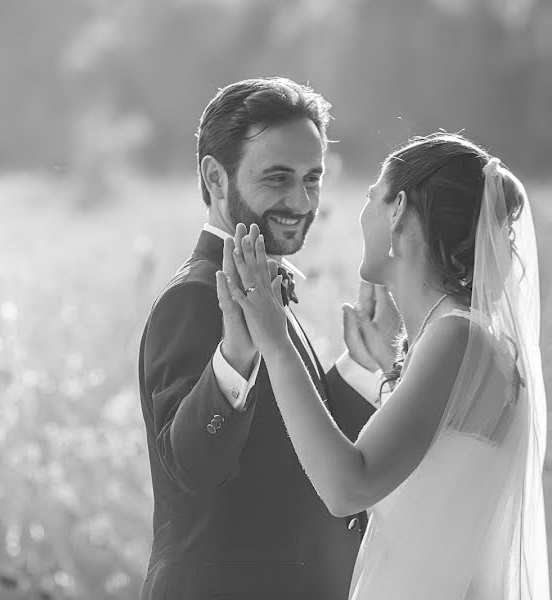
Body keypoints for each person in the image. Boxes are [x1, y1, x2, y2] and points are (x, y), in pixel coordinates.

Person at [221, 132, 549, 599]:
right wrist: (388, 376)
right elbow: (442, 469)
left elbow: (347, 487)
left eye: (372, 196)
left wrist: (274, 341)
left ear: (397, 211)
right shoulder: (463, 340)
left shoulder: (457, 338)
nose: (362, 212)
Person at [137, 77, 397, 599]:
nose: (301, 201)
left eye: (312, 179)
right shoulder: (192, 299)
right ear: (215, 177)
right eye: (278, 178)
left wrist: (360, 365)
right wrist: (236, 354)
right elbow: (190, 470)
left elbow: (292, 453)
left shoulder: (263, 287)